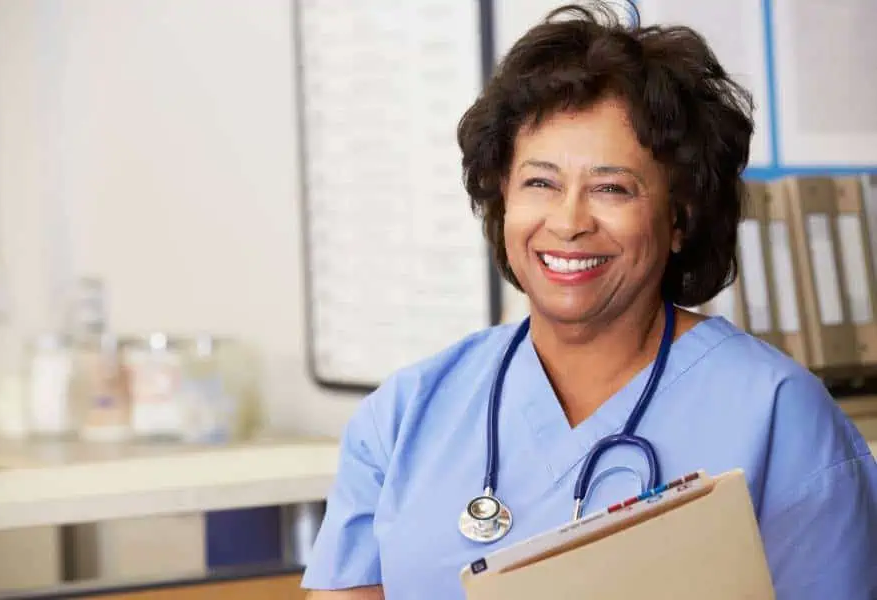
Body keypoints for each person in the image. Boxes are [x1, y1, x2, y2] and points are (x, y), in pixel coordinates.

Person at [301, 3, 877, 599]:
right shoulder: (402, 418)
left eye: (611, 188)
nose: (569, 222)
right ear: (502, 200)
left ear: (679, 217)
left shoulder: (779, 416)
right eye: (540, 183)